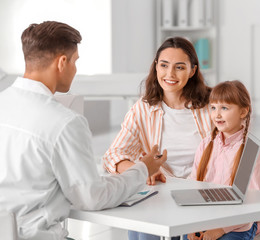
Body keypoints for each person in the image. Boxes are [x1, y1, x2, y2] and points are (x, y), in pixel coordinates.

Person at [0, 21, 167, 240]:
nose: (75, 69)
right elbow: (93, 197)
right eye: (75, 61)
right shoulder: (64, 122)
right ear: (62, 62)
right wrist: (143, 168)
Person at [102, 37, 212, 240]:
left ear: (193, 71)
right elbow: (113, 155)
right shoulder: (143, 109)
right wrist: (142, 170)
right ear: (156, 67)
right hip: (162, 194)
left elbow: (236, 150)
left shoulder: (211, 107)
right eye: (164, 65)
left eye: (179, 67)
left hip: (201, 195)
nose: (170, 74)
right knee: (141, 227)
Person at [186, 80, 260, 240]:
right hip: (205, 219)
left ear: (243, 112)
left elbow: (254, 202)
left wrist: (221, 229)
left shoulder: (250, 151)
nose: (217, 114)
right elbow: (193, 184)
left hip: (238, 225)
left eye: (224, 108)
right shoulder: (206, 144)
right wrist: (192, 226)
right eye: (213, 107)